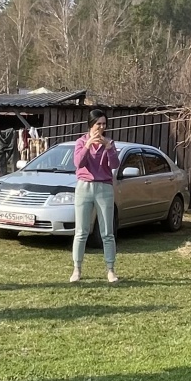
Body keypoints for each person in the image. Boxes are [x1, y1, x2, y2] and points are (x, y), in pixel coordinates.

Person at [71, 110, 122, 283]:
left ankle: (110, 270)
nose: (101, 127)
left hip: (104, 188)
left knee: (107, 233)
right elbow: (78, 163)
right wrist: (87, 146)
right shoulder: (81, 142)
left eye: (104, 124)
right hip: (84, 187)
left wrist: (109, 149)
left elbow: (114, 165)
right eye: (98, 124)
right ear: (91, 125)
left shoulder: (109, 143)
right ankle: (77, 269)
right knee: (81, 232)